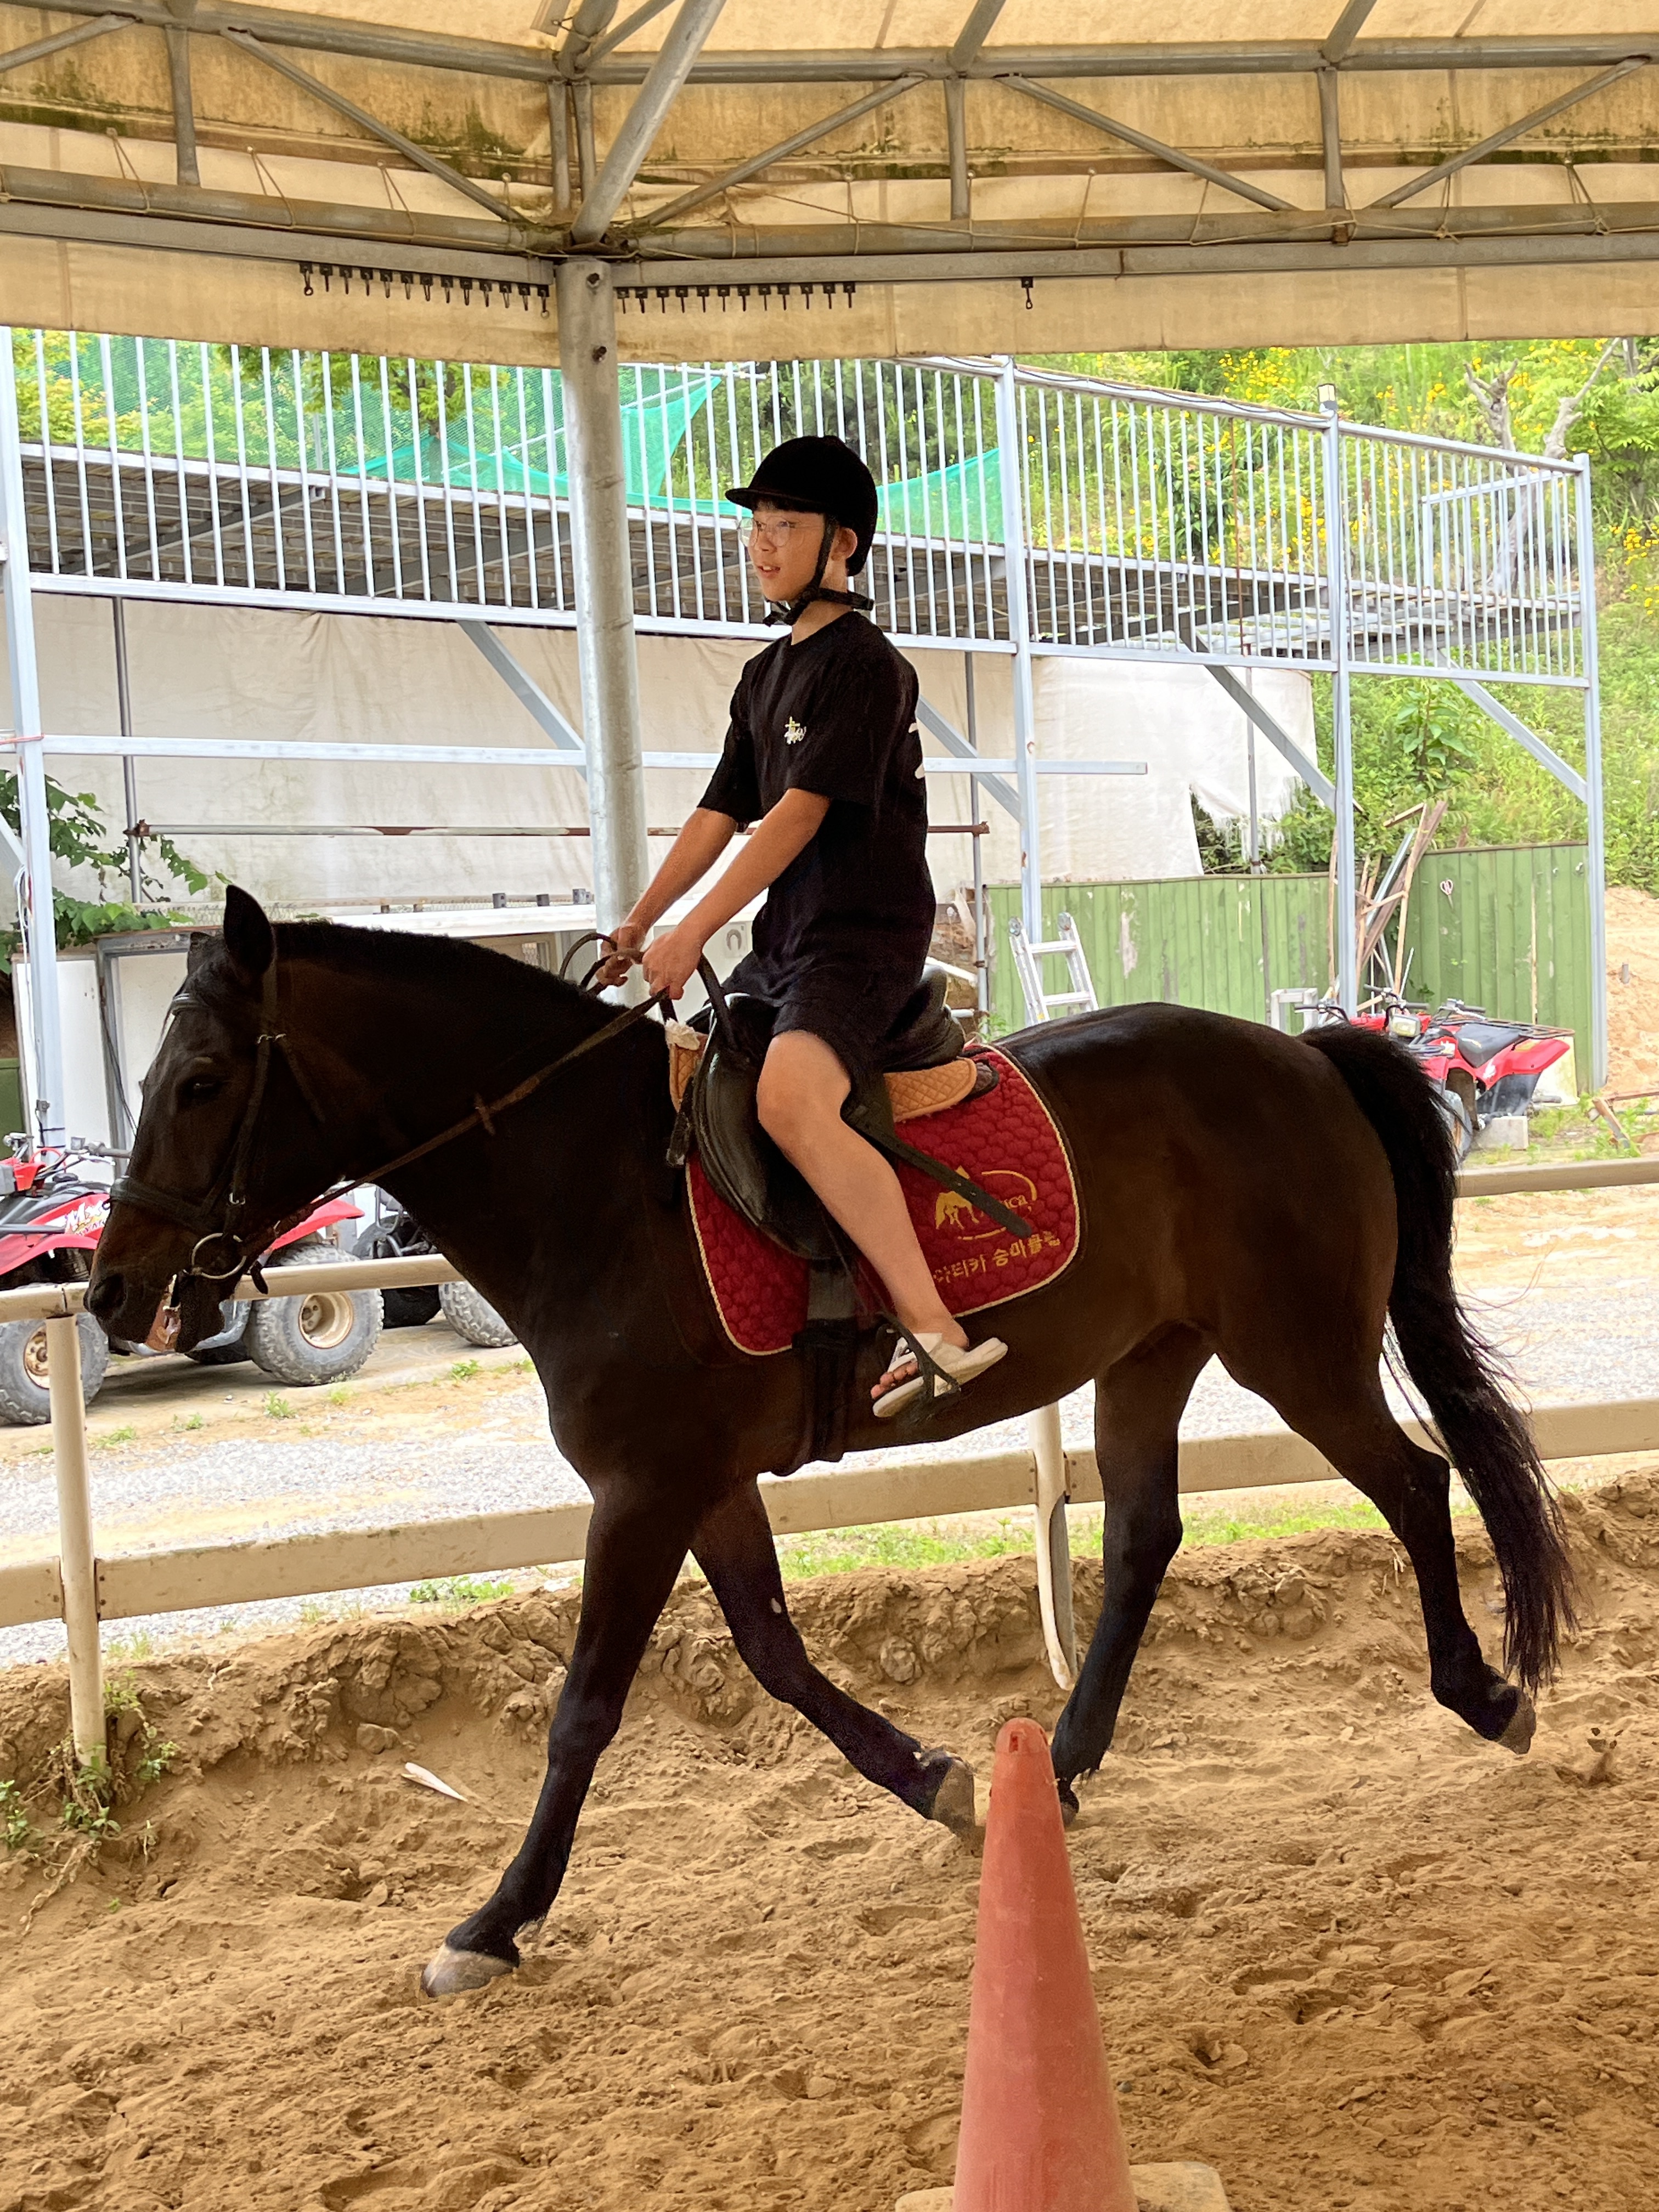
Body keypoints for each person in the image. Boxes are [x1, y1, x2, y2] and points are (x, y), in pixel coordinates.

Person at [602, 435, 1007, 1419]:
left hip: (861, 939)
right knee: (682, 1085)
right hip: (787, 940)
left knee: (788, 1101)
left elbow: (797, 816)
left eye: (785, 526)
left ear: (844, 546)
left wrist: (694, 932)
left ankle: (936, 1328)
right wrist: (640, 920)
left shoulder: (869, 669)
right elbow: (717, 813)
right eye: (755, 524)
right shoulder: (760, 678)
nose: (760, 542)